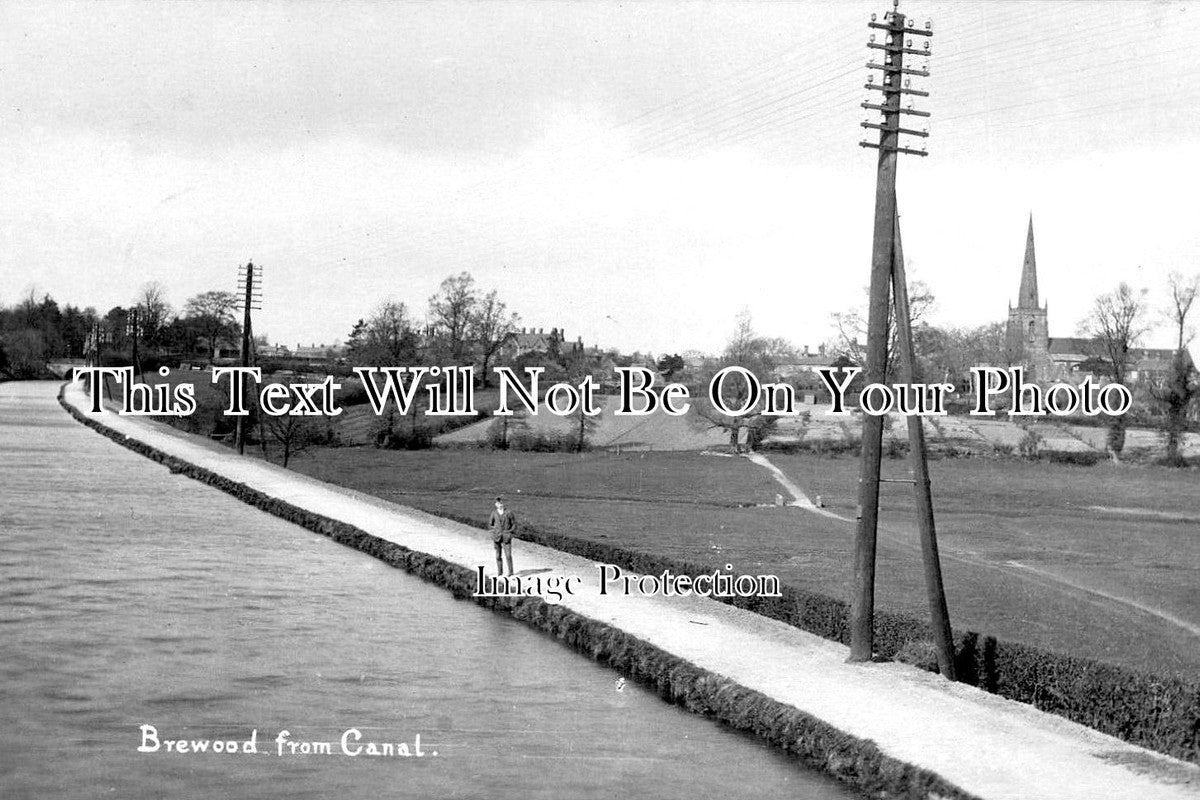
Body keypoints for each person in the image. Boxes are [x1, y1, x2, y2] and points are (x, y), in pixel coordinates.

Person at [488, 496, 517, 576]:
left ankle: (511, 572)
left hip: (506, 537)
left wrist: (510, 533)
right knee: (498, 555)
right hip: (497, 537)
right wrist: (493, 533)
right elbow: (490, 525)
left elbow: (514, 524)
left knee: (508, 555)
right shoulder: (494, 513)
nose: (500, 505)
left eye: (501, 503)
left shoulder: (509, 512)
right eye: (498, 503)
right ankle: (500, 572)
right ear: (495, 504)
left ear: (503, 504)